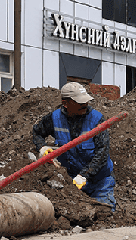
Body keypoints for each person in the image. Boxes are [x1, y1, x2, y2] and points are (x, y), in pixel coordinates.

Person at [31, 82, 116, 210]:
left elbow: (102, 152)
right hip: (71, 182)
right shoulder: (54, 118)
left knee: (104, 212)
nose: (85, 105)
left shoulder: (97, 119)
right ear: (65, 103)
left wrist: (85, 175)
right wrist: (42, 147)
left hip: (99, 181)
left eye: (86, 101)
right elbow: (37, 132)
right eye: (79, 102)